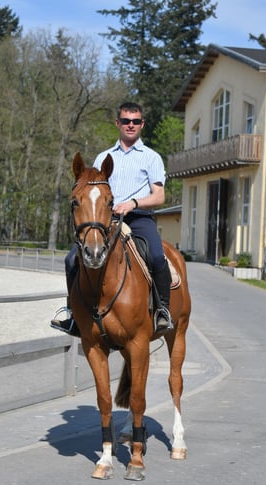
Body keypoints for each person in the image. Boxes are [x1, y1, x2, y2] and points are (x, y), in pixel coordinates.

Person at [51, 102, 174, 337]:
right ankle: (73, 314)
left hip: (138, 218)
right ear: (118, 123)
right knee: (70, 260)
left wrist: (133, 203)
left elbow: (159, 196)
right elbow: (90, 191)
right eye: (126, 121)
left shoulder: (151, 157)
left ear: (142, 124)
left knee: (157, 257)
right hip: (105, 220)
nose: (131, 125)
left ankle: (161, 311)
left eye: (136, 121)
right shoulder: (102, 157)